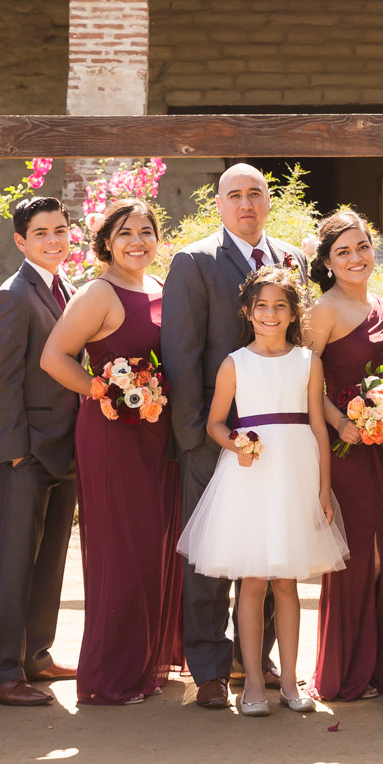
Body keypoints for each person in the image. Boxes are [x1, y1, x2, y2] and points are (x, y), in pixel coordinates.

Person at [161, 165, 302, 709]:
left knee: (269, 550)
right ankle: (210, 668)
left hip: (279, 436)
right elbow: (181, 352)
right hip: (213, 436)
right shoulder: (193, 262)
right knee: (212, 556)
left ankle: (256, 658)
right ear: (218, 204)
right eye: (234, 195)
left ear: (268, 202)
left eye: (255, 194)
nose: (246, 204)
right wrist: (196, 438)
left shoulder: (293, 258)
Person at [178, 267, 347, 715]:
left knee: (287, 582)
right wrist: (237, 443)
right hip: (250, 476)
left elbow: (317, 425)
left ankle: (290, 682)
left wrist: (323, 490)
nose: (270, 314)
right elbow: (216, 422)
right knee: (251, 582)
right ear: (247, 312)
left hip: (295, 474)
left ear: (293, 313)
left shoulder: (309, 362)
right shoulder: (236, 362)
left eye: (280, 306)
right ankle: (251, 682)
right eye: (262, 307)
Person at [44, 196, 184, 705]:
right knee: (119, 551)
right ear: (106, 242)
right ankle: (109, 675)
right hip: (110, 434)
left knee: (153, 545)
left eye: (146, 231)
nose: (137, 242)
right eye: (125, 233)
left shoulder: (162, 288)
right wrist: (101, 390)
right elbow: (53, 357)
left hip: (156, 434)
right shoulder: (97, 294)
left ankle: (145, 662)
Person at [0, 195, 81, 707]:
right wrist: (14, 454)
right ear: (21, 241)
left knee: (52, 559)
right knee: (17, 560)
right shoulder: (13, 296)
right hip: (27, 454)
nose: (54, 240)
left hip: (66, 450)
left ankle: (35, 655)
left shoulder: (69, 289)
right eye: (42, 233)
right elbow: (4, 379)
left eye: (60, 230)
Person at [303, 209, 383, 702]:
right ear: (327, 262)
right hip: (343, 447)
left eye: (362, 247)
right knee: (357, 555)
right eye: (343, 252)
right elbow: (304, 378)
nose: (356, 257)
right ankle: (344, 671)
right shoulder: (324, 310)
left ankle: (381, 665)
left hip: (380, 446)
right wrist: (342, 422)